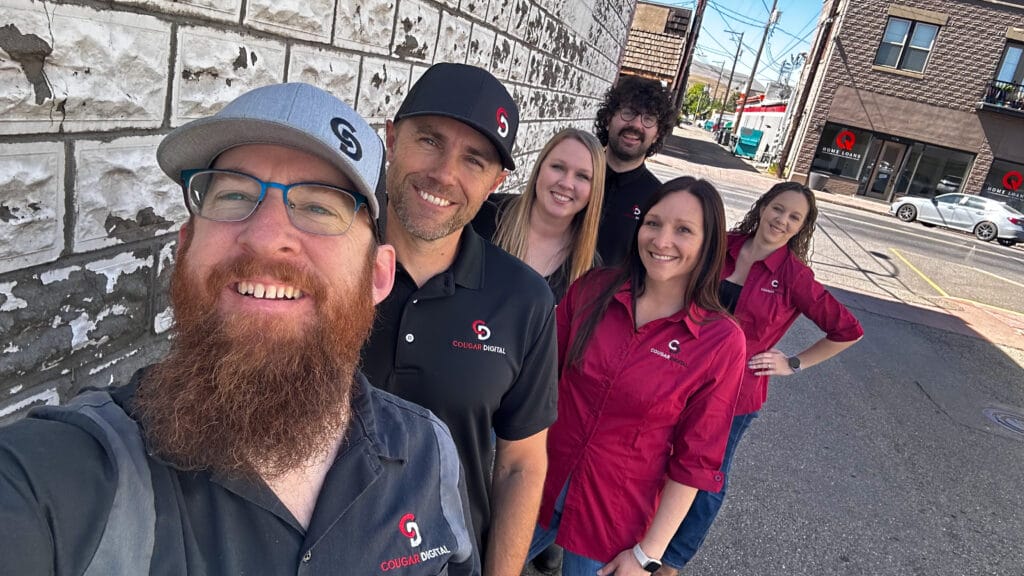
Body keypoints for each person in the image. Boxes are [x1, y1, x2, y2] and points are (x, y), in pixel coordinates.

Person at [0, 83, 479, 575]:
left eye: (319, 206)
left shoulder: (430, 456)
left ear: (377, 275)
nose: (266, 238)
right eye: (234, 195)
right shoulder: (63, 478)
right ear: (185, 248)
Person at [361, 63, 557, 576]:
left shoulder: (524, 300)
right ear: (391, 139)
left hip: (447, 561)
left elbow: (520, 464)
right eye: (430, 140)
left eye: (474, 159)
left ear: (497, 182)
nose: (445, 174)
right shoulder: (326, 259)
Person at [527, 177, 746, 575]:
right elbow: (539, 379)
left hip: (613, 519)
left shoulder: (720, 341)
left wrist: (647, 554)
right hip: (538, 483)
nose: (662, 240)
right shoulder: (592, 289)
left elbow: (696, 462)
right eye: (653, 223)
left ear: (709, 244)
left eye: (684, 230)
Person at [657, 182, 864, 575]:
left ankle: (671, 561)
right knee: (656, 456)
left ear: (802, 227)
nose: (782, 220)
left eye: (794, 217)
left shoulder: (794, 277)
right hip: (680, 374)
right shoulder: (720, 245)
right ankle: (642, 536)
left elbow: (848, 330)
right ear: (763, 206)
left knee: (705, 478)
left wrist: (793, 363)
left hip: (735, 396)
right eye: (778, 208)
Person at [473, 128, 605, 301]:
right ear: (539, 169)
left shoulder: (590, 268)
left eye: (582, 176)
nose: (566, 183)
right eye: (558, 167)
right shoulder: (485, 214)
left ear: (595, 190)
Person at [594, 76, 676, 267]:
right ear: (608, 119)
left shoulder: (658, 200)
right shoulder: (578, 175)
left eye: (648, 119)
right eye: (629, 113)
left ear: (657, 134)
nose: (637, 125)